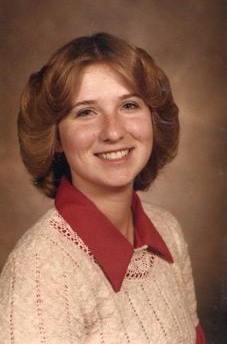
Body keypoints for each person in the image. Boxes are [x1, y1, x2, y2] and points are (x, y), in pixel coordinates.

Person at [0, 32, 205, 343]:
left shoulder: (168, 230)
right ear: (55, 138)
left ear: (153, 119)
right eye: (86, 112)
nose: (113, 131)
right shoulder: (41, 270)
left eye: (129, 105)